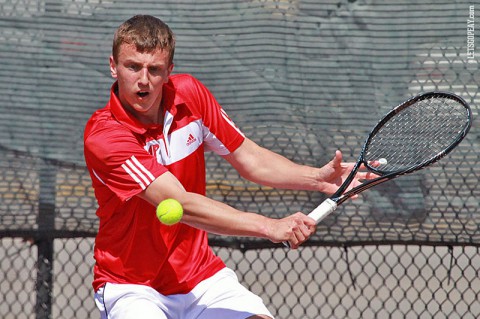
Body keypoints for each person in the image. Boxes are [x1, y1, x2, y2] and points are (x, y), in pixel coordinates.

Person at [84, 14, 376, 319]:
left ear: (169, 71)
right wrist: (270, 226)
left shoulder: (190, 95)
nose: (143, 79)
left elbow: (250, 158)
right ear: (113, 66)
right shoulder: (105, 136)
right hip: (133, 287)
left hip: (199, 276)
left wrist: (317, 177)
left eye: (154, 69)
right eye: (133, 66)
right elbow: (179, 203)